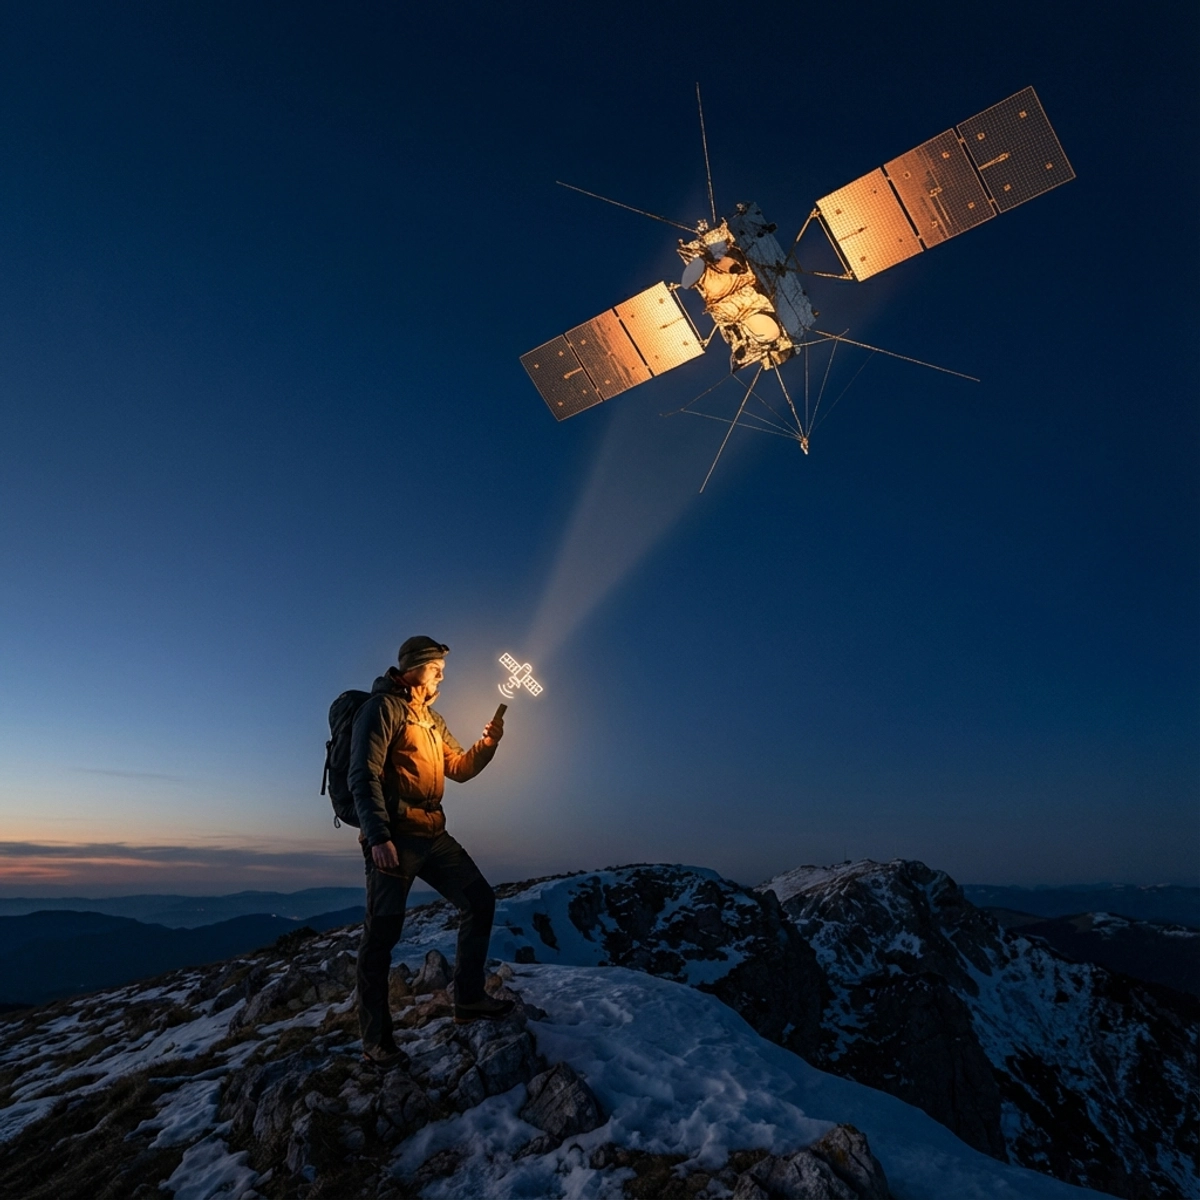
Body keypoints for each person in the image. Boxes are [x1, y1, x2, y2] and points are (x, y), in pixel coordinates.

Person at [348, 635, 512, 1066]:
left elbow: (457, 768)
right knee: (380, 938)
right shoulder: (382, 709)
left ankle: (469, 1000)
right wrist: (378, 836)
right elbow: (362, 776)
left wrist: (488, 743)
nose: (442, 672)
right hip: (394, 838)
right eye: (435, 665)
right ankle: (376, 1042)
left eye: (442, 666)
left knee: (479, 900)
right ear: (413, 667)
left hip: (433, 833)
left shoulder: (431, 719)